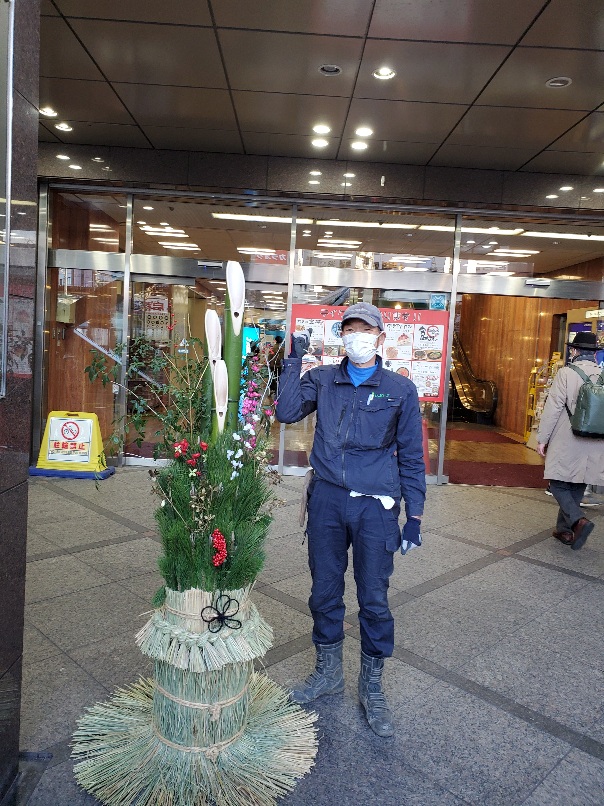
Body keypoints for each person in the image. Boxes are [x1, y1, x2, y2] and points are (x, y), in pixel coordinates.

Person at [276, 302, 426, 737]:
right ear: (342, 337)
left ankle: (372, 684)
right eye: (350, 330)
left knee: (374, 597)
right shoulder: (323, 379)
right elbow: (286, 413)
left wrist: (413, 515)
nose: (357, 337)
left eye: (365, 330)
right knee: (324, 589)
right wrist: (292, 361)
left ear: (380, 337)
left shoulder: (399, 389)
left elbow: (413, 458)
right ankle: (328, 674)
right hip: (325, 500)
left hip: (375, 506)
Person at [537, 330, 604, 550]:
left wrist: (542, 438)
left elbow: (553, 409)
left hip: (568, 437)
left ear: (574, 351)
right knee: (577, 482)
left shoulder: (566, 373)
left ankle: (578, 520)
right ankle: (565, 531)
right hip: (595, 440)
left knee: (556, 483)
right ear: (594, 354)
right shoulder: (602, 375)